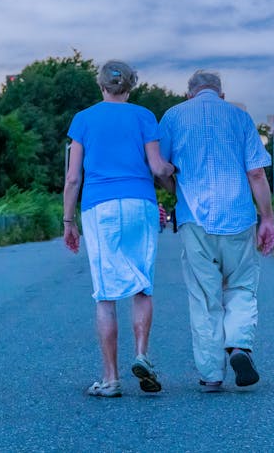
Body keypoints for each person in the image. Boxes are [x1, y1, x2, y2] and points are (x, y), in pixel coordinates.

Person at [63, 60, 175, 398]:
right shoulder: (143, 116)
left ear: (100, 85)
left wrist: (68, 221)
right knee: (142, 284)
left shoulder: (83, 119)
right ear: (130, 85)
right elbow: (157, 167)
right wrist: (173, 168)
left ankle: (110, 380)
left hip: (100, 207)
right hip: (140, 203)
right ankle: (142, 354)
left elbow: (72, 177)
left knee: (106, 293)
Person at [159, 70, 274, 392]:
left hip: (194, 218)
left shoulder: (172, 117)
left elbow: (160, 167)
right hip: (238, 217)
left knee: (204, 297)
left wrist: (175, 188)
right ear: (221, 94)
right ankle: (239, 346)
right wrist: (267, 218)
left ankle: (211, 375)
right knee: (241, 287)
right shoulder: (240, 117)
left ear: (189, 94)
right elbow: (256, 174)